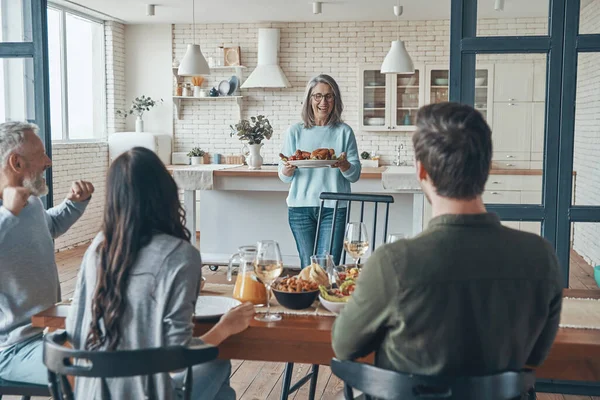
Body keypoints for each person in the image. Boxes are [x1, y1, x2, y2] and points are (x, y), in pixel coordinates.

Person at [332, 102, 563, 375]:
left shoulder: (392, 263)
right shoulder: (541, 257)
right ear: (487, 168)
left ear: (421, 171)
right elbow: (534, 356)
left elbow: (344, 346)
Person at [66, 147, 254, 400]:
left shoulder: (97, 246)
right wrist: (225, 327)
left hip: (90, 392)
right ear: (166, 191)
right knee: (217, 363)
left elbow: (74, 330)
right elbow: (177, 358)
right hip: (146, 394)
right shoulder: (180, 254)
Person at [0, 121, 94, 385]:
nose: (48, 161)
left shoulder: (29, 201)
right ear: (16, 163)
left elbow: (48, 227)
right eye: (41, 154)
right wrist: (7, 214)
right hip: (12, 350)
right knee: (101, 373)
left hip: (51, 329)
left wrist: (74, 205)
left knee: (128, 350)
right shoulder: (10, 209)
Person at [278, 74, 361, 269]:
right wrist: (288, 169)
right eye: (317, 96)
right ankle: (310, 300)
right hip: (300, 208)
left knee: (328, 267)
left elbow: (355, 174)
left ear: (335, 100)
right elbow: (283, 177)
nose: (323, 102)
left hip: (334, 207)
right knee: (309, 267)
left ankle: (328, 300)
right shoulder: (295, 131)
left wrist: (343, 165)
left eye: (329, 96)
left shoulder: (344, 132)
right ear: (309, 99)